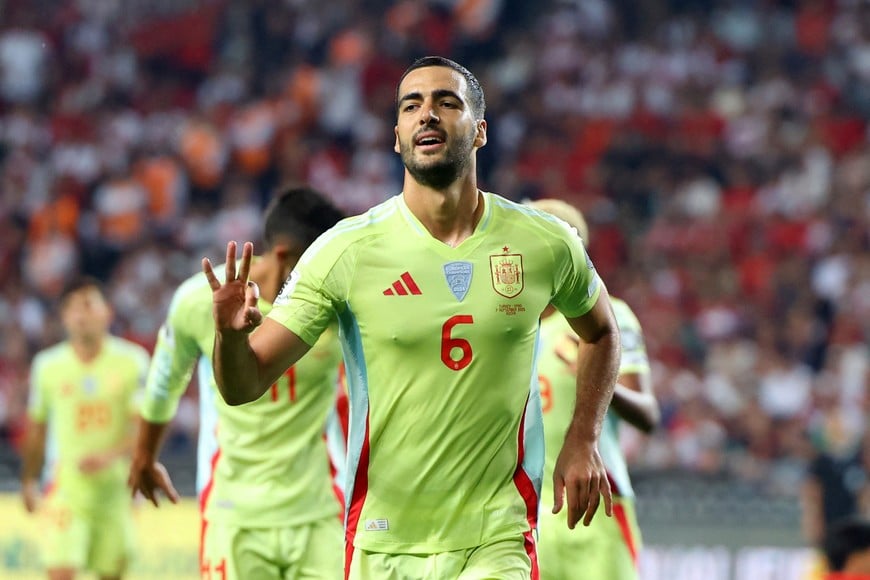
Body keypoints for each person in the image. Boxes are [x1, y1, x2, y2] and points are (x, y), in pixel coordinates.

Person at [202, 55, 621, 578]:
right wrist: (229, 338)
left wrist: (583, 438)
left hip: (497, 536)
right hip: (383, 542)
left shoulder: (544, 243)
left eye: (447, 102)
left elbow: (602, 331)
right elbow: (244, 384)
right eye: (411, 105)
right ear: (396, 136)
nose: (428, 114)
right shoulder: (345, 251)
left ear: (481, 130)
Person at [128, 186, 347, 580]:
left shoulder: (337, 308)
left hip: (319, 512)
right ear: (285, 257)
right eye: (320, 264)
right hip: (233, 514)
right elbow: (164, 384)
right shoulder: (200, 301)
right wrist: (144, 457)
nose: (329, 276)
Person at [527, 199, 660, 580]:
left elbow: (647, 414)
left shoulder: (606, 318)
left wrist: (595, 377)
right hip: (528, 514)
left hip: (595, 512)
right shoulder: (514, 328)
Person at [20, 277, 150, 580]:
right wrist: (28, 479)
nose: (81, 315)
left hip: (115, 489)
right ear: (64, 317)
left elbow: (142, 427)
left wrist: (109, 456)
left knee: (111, 574)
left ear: (108, 312)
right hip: (65, 488)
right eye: (73, 308)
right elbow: (37, 427)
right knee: (61, 570)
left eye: (89, 305)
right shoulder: (47, 366)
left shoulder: (132, 361)